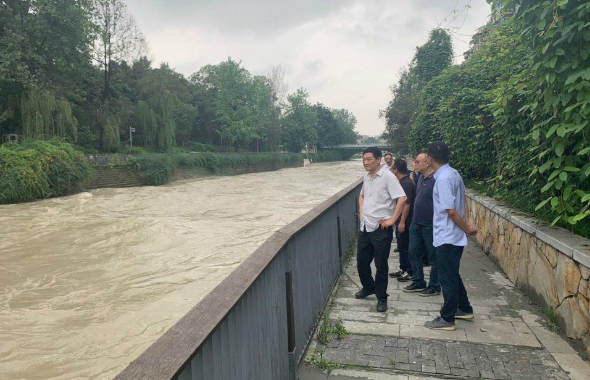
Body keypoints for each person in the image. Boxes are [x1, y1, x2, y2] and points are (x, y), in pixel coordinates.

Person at [424, 142, 478, 331]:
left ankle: (447, 318)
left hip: (447, 235)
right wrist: (466, 225)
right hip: (453, 235)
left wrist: (466, 229)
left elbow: (451, 211)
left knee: (447, 278)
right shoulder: (454, 174)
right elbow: (461, 204)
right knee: (452, 274)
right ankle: (463, 308)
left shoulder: (443, 179)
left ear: (430, 159)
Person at [356, 147, 407, 313]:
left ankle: (381, 297)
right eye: (364, 159)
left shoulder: (387, 177)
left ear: (378, 159)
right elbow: (361, 195)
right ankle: (368, 287)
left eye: (369, 159)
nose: (366, 162)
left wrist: (393, 219)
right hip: (365, 226)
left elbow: (402, 198)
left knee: (380, 265)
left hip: (381, 228)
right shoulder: (366, 176)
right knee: (362, 261)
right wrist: (361, 213)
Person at [401, 153, 441, 296]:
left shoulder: (436, 180)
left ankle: (434, 285)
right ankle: (418, 281)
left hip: (430, 225)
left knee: (433, 257)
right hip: (416, 223)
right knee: (413, 252)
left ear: (427, 163)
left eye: (417, 162)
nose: (415, 164)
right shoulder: (420, 179)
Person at [388, 159, 415, 282]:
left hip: (405, 221)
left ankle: (410, 271)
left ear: (396, 169)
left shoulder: (406, 183)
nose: (390, 170)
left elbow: (407, 204)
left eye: (392, 167)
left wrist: (402, 221)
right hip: (399, 220)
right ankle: (403, 268)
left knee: (405, 246)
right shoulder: (401, 182)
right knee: (401, 245)